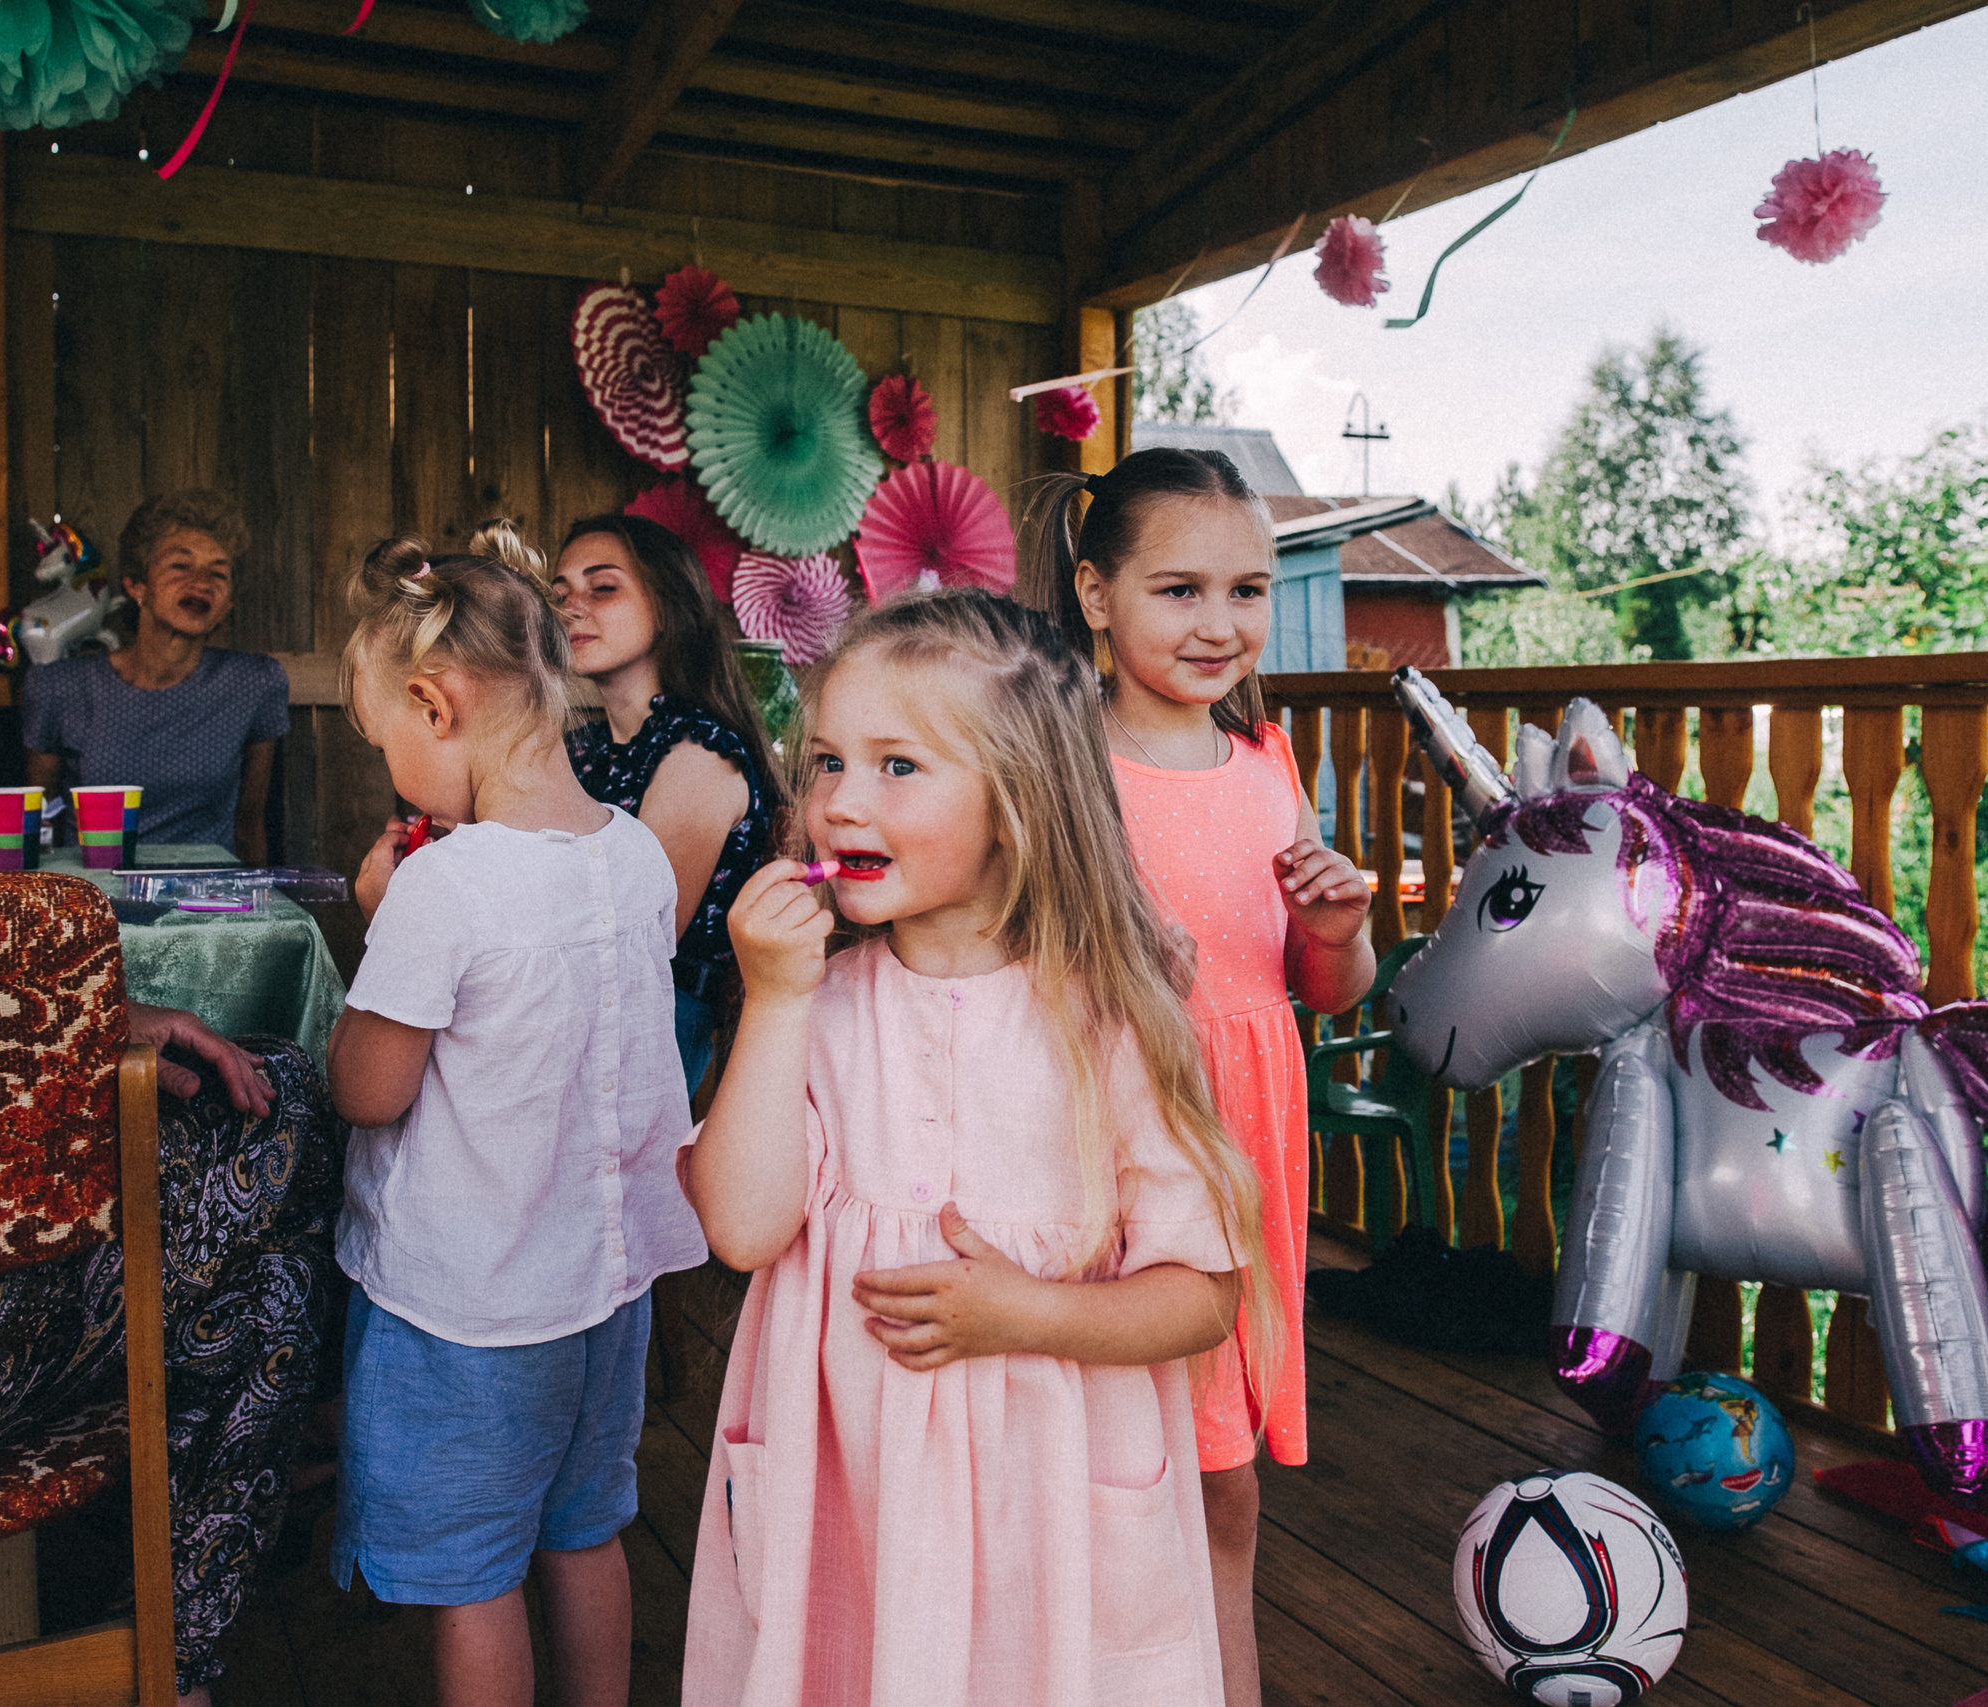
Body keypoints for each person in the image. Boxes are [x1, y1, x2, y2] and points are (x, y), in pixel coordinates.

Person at [679, 590, 1272, 1707]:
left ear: (1019, 801)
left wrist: (1028, 1314)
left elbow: (1201, 1297)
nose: (840, 801)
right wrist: (772, 999)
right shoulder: (814, 1009)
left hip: (1044, 1524)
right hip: (847, 1514)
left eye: (898, 766)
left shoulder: (1113, 1025)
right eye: (826, 762)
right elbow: (742, 1227)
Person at [0, 764, 342, 1705]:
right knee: (280, 1113)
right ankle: (182, 1656)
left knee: (269, 1277)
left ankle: (179, 1661)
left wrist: (92, 1023)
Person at [325, 530, 707, 1707]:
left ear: (434, 706)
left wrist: (380, 920)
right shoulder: (637, 855)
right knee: (585, 1533)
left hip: (468, 1311)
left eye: (385, 741)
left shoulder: (440, 886)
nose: (393, 769)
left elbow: (368, 1090)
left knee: (471, 1576)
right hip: (605, 1293)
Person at [1042, 447, 1377, 1707]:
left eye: (1247, 591)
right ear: (1095, 594)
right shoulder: (1059, 763)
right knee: (1103, 1469)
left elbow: (1325, 988)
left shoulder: (1269, 765)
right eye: (1178, 590)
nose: (1219, 623)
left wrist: (1337, 929)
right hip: (1105, 1138)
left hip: (1244, 1146)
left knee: (1220, 1484)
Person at [551, 513, 785, 1094]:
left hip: (649, 1024)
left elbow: (633, 946)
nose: (571, 608)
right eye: (559, 595)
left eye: (603, 588)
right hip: (564, 1003)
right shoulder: (579, 747)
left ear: (668, 606)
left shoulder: (700, 756)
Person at [22, 489, 289, 863]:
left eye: (218, 572)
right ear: (136, 585)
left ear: (228, 604)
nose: (202, 582)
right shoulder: (60, 687)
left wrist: (259, 898)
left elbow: (249, 825)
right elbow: (38, 826)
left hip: (208, 891)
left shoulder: (253, 683)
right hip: (96, 888)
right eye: (180, 566)